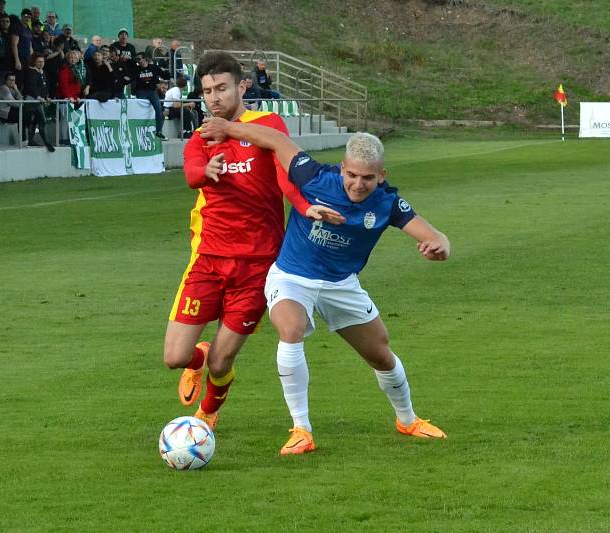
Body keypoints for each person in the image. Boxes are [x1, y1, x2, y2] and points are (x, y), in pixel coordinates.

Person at [201, 120, 451, 453]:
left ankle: (407, 420)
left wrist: (439, 248)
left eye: (368, 178)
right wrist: (226, 127)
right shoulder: (314, 177)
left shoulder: (388, 203)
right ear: (343, 168)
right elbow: (275, 139)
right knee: (289, 330)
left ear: (382, 176)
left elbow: (436, 237)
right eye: (352, 175)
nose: (358, 185)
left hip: (341, 284)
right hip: (292, 276)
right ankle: (301, 430)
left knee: (381, 355)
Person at [162, 51, 344, 430]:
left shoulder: (267, 124)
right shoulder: (201, 137)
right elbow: (192, 172)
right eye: (207, 90)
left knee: (222, 363)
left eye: (222, 88)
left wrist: (304, 206)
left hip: (258, 264)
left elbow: (284, 174)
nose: (214, 98)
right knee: (175, 356)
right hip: (209, 258)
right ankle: (198, 359)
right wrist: (205, 168)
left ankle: (208, 413)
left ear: (242, 86)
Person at [21, 52, 54, 151]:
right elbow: (31, 87)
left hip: (39, 100)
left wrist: (46, 96)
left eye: (42, 61)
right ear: (34, 62)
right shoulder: (31, 72)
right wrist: (38, 97)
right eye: (39, 62)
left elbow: (44, 86)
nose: (41, 63)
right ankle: (46, 142)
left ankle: (31, 140)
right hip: (32, 100)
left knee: (35, 122)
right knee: (42, 120)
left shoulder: (42, 72)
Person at [132, 52, 166, 139]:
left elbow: (164, 74)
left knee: (159, 110)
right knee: (141, 111)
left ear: (145, 59)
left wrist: (165, 73)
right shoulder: (136, 69)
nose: (138, 61)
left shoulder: (153, 67)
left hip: (152, 91)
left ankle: (159, 131)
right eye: (137, 59)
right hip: (141, 91)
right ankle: (140, 131)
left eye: (139, 59)